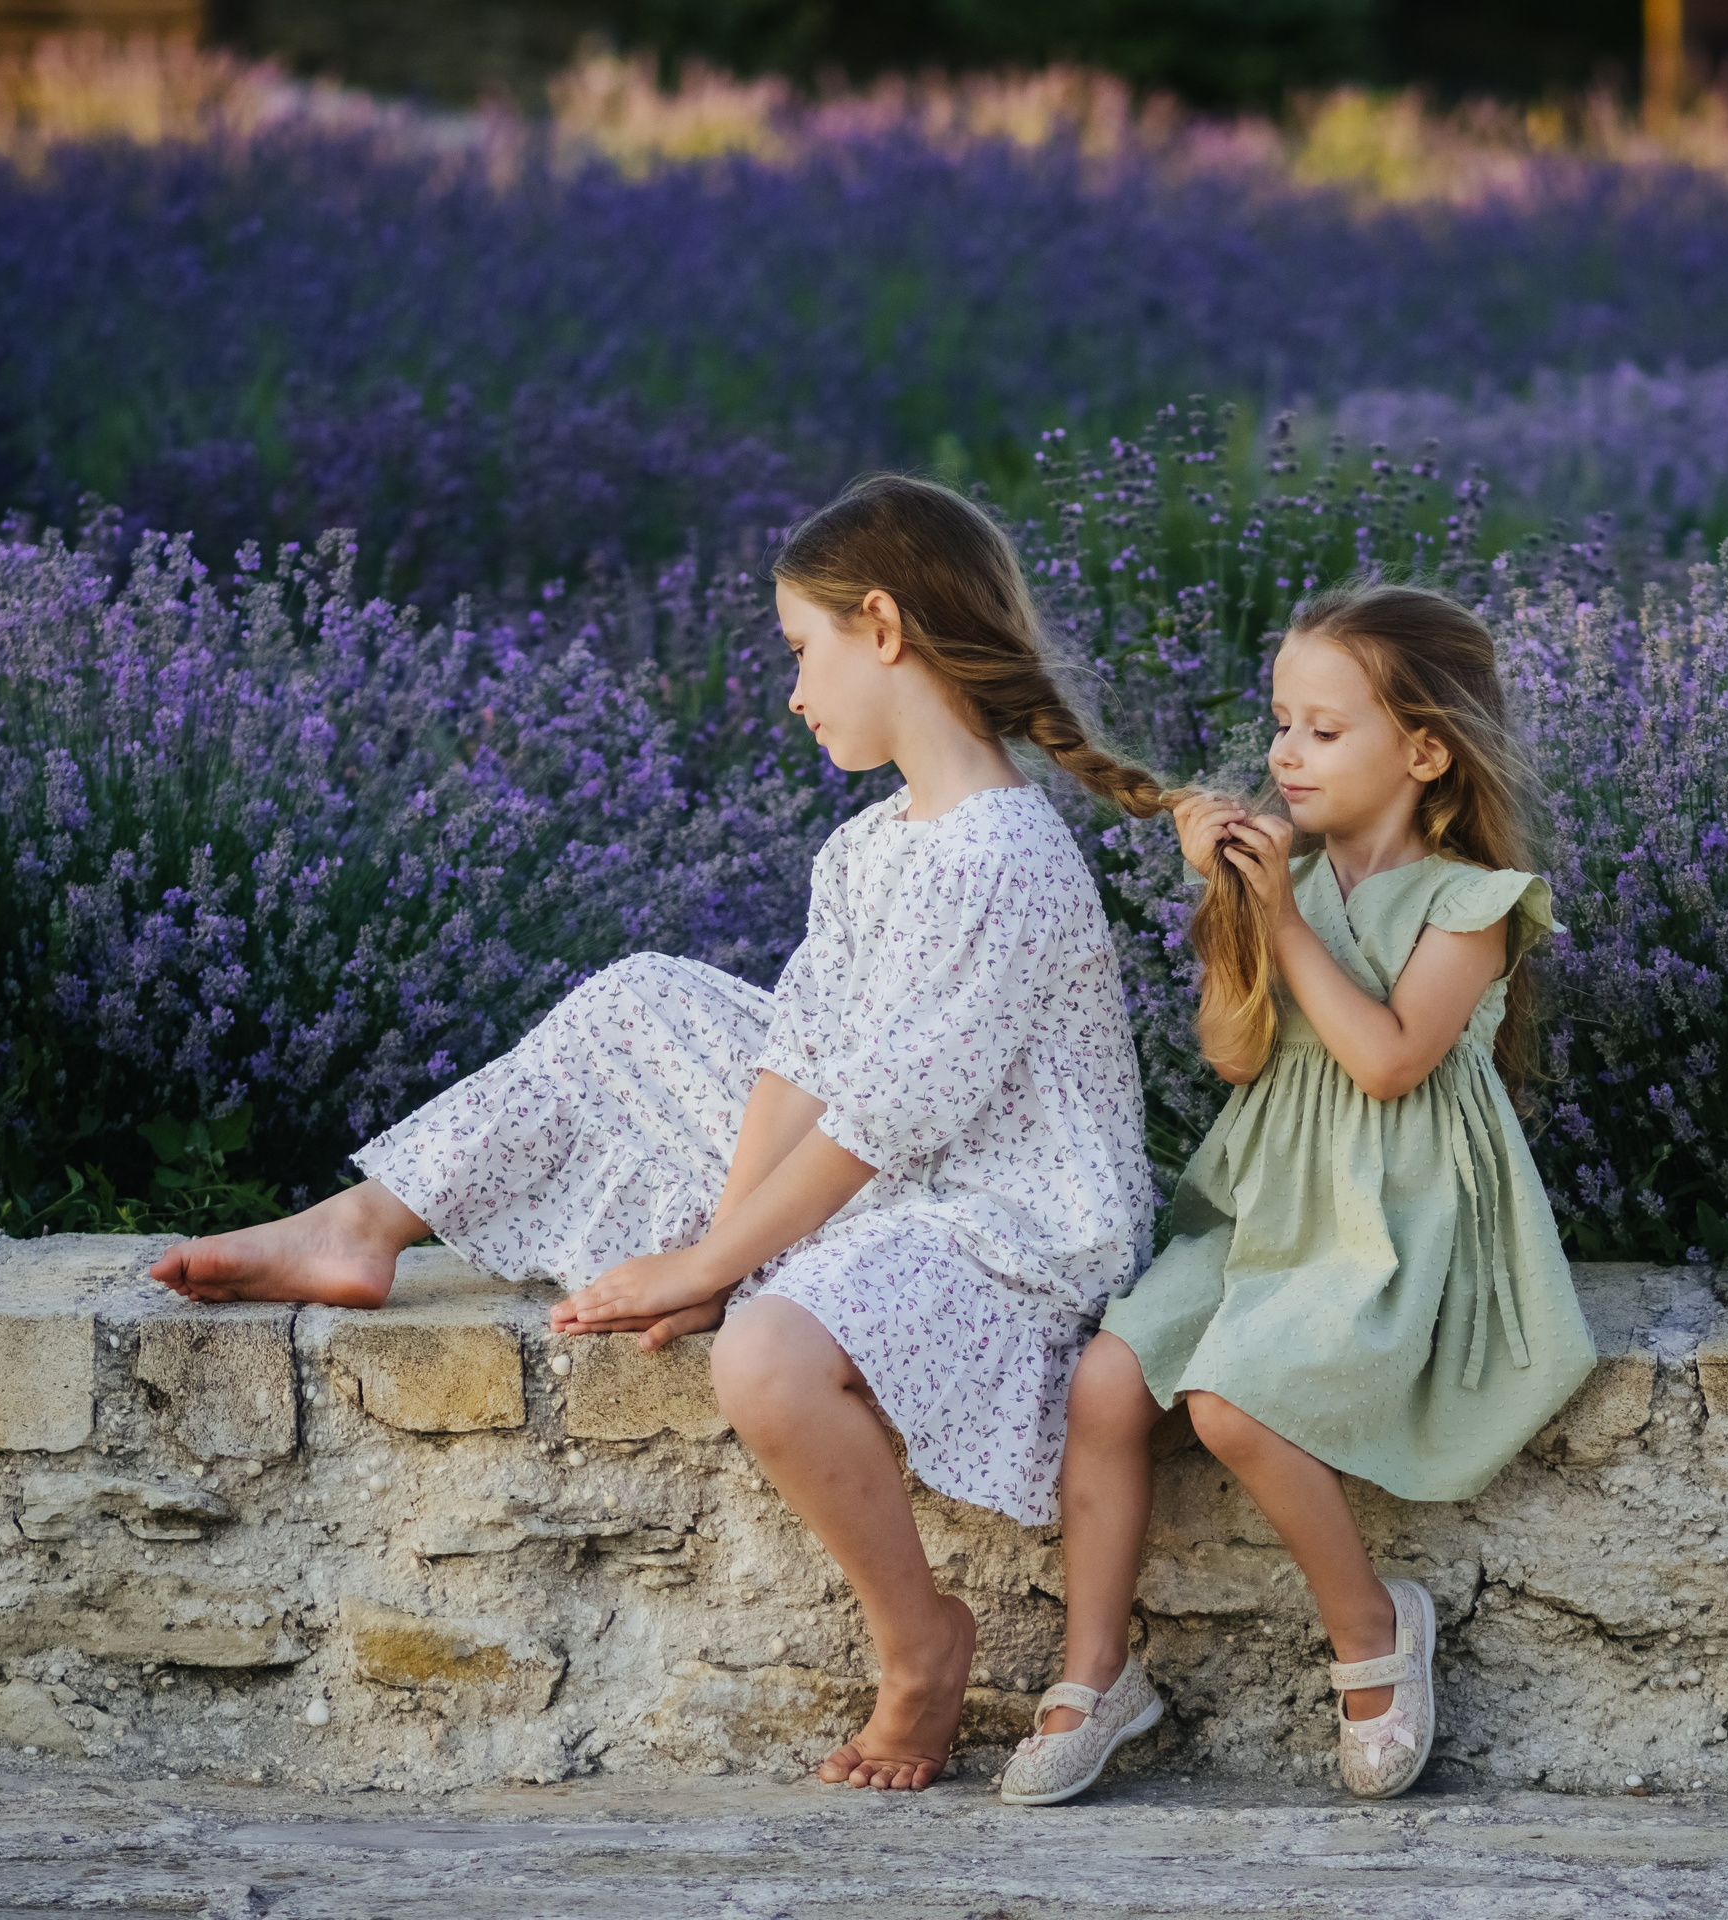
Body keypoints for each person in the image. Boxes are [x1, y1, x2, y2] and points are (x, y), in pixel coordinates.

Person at [151, 473, 1164, 1793]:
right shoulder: (873, 846)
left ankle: (921, 1643)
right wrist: (724, 1247)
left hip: (1007, 1220)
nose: (792, 694)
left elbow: (888, 1118)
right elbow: (802, 1058)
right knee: (640, 998)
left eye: (800, 651)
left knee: (765, 1363)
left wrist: (711, 1268)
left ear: (881, 626)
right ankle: (363, 1223)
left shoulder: (1003, 857)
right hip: (895, 1166)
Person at [1000, 581, 1598, 1807]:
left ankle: (1373, 1627)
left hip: (1392, 1217)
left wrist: (1281, 920)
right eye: (1281, 723)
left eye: (1323, 730)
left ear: (1424, 752)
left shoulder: (1469, 903)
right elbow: (1233, 1055)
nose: (1284, 753)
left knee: (1231, 1403)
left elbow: (1386, 1063)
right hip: (1265, 1205)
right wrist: (1234, 906)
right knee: (1106, 1383)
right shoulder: (1294, 880)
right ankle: (1096, 1672)